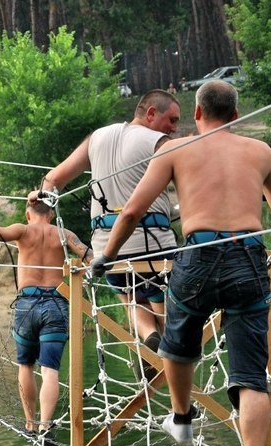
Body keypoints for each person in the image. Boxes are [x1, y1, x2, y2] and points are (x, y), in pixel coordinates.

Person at [91, 80, 271, 446]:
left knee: (179, 342)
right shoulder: (260, 152)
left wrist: (105, 257)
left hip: (199, 256)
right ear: (237, 115)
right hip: (248, 257)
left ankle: (182, 416)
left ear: (197, 113)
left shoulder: (175, 148)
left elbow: (133, 210)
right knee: (251, 376)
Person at [30, 90, 181, 376]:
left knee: (131, 300)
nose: (173, 128)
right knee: (168, 321)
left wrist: (39, 202)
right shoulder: (160, 143)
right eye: (171, 120)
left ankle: (149, 337)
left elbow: (52, 180)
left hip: (107, 250)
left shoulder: (96, 137)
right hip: (155, 247)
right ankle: (180, 401)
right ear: (150, 113)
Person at [0, 193, 91, 441]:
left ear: (28, 213)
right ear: (52, 214)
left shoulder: (22, 230)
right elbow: (91, 256)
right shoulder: (64, 234)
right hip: (56, 303)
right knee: (50, 370)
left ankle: (30, 425)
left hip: (27, 306)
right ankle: (45, 426)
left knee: (25, 365)